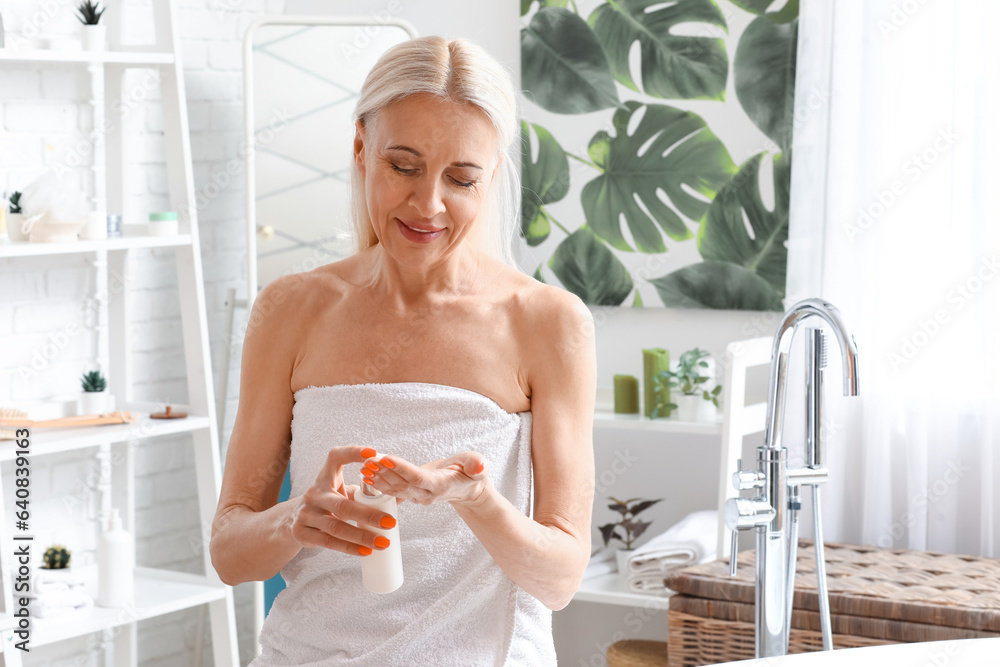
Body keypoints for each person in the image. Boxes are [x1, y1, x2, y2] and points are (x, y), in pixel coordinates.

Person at [210, 35, 596, 666]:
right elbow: (229, 554)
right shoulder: (291, 309)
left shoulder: (547, 324)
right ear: (362, 149)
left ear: (492, 172)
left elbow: (559, 579)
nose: (429, 204)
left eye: (461, 178)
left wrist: (476, 501)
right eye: (404, 166)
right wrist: (296, 520)